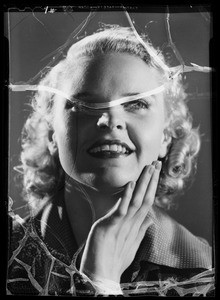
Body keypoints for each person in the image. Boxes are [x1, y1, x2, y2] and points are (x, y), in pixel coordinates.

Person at [7, 26, 212, 296]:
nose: (110, 121)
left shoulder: (205, 272)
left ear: (166, 135)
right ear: (51, 134)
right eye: (82, 105)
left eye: (136, 104)